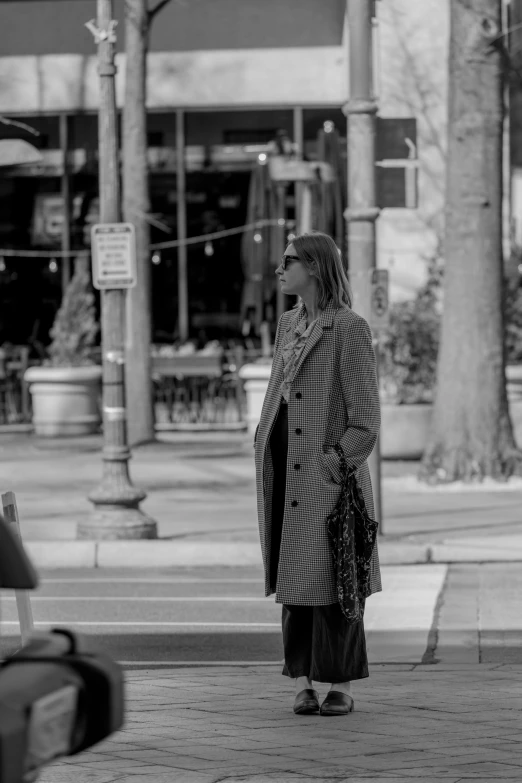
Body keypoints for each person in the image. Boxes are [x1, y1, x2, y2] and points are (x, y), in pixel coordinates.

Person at [253, 231, 382, 717]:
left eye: (289, 261)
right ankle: (302, 681)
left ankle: (342, 683)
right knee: (295, 582)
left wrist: (336, 462)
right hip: (284, 469)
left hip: (328, 478)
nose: (280, 269)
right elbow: (276, 392)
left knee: (338, 579)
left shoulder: (348, 328)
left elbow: (366, 418)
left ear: (315, 266)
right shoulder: (289, 324)